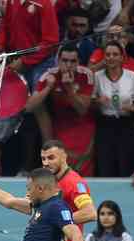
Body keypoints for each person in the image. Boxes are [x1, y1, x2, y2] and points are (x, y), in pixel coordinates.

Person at [27, 46, 97, 176]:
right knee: (61, 172)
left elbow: (82, 110)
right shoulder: (49, 75)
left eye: (73, 61)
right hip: (61, 125)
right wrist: (48, 87)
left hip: (84, 125)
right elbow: (29, 107)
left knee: (83, 172)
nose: (68, 65)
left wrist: (69, 89)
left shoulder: (86, 75)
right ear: (58, 61)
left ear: (78, 62)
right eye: (65, 61)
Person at [93, 41, 134, 177]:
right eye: (108, 54)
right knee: (105, 165)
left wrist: (133, 107)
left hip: (126, 124)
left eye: (115, 54)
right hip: (105, 125)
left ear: (122, 57)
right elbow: (91, 100)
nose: (111, 57)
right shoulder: (97, 77)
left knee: (126, 165)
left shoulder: (131, 76)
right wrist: (98, 101)